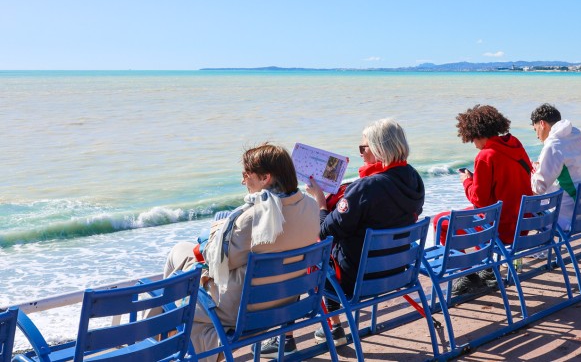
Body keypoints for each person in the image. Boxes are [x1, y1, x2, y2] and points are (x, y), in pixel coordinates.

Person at [160, 143, 320, 361]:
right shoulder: (310, 206)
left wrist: (218, 230)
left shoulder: (252, 218)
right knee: (182, 258)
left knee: (173, 294)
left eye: (246, 174)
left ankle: (151, 346)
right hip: (286, 302)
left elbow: (218, 264)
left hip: (244, 310)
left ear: (266, 178)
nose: (243, 181)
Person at [305, 118, 425, 347]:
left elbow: (325, 232)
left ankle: (333, 326)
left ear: (380, 149)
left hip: (360, 280)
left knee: (318, 257)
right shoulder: (414, 178)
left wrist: (321, 201)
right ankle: (335, 326)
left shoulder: (367, 188)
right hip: (398, 269)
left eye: (364, 147)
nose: (360, 153)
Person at [440, 105, 533, 295]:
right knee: (471, 216)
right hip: (522, 222)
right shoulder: (515, 144)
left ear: (475, 133)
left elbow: (479, 200)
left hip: (503, 228)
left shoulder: (485, 155)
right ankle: (486, 267)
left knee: (441, 223)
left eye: (472, 138)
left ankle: (469, 274)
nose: (473, 143)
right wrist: (476, 180)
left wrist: (467, 181)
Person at [530, 103, 581, 230]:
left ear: (542, 124)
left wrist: (531, 172)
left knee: (520, 205)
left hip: (563, 216)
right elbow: (567, 164)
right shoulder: (576, 133)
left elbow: (538, 188)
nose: (537, 135)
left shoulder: (553, 145)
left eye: (535, 130)